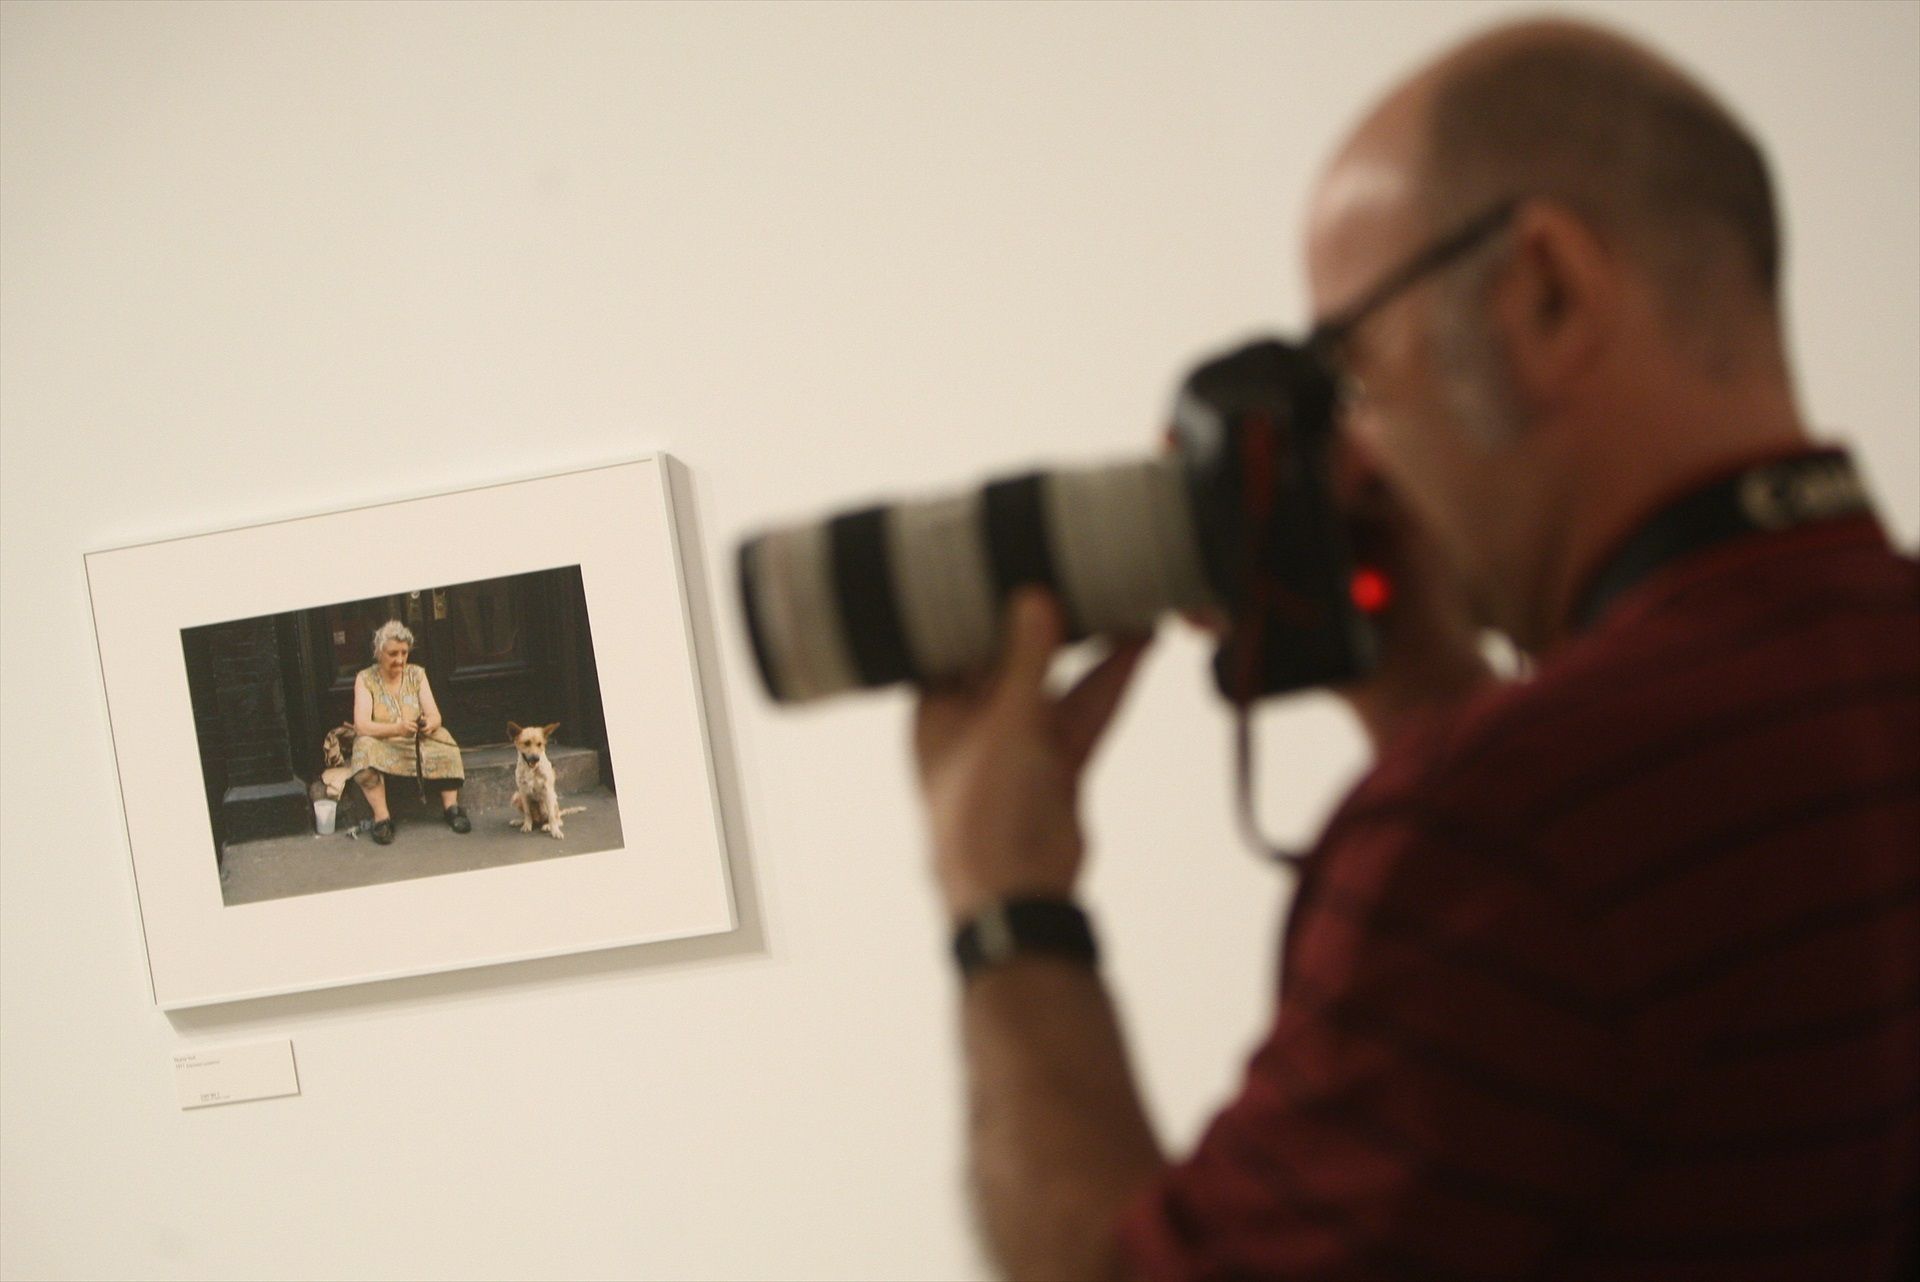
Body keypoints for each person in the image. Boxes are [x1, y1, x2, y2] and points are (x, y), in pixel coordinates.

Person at [912, 17, 1918, 1281]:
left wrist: (1005, 897)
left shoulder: (1506, 822)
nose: (1360, 452)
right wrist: (1426, 690)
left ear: (1548, 290)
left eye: (1352, 364)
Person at [350, 619, 470, 845]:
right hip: (383, 742)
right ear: (379, 652)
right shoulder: (365, 678)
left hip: (417, 740)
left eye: (404, 653)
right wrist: (396, 728)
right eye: (393, 653)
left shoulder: (417, 674)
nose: (400, 660)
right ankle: (382, 818)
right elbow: (362, 725)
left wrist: (428, 723)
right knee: (363, 751)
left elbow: (436, 715)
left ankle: (452, 809)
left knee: (445, 740)